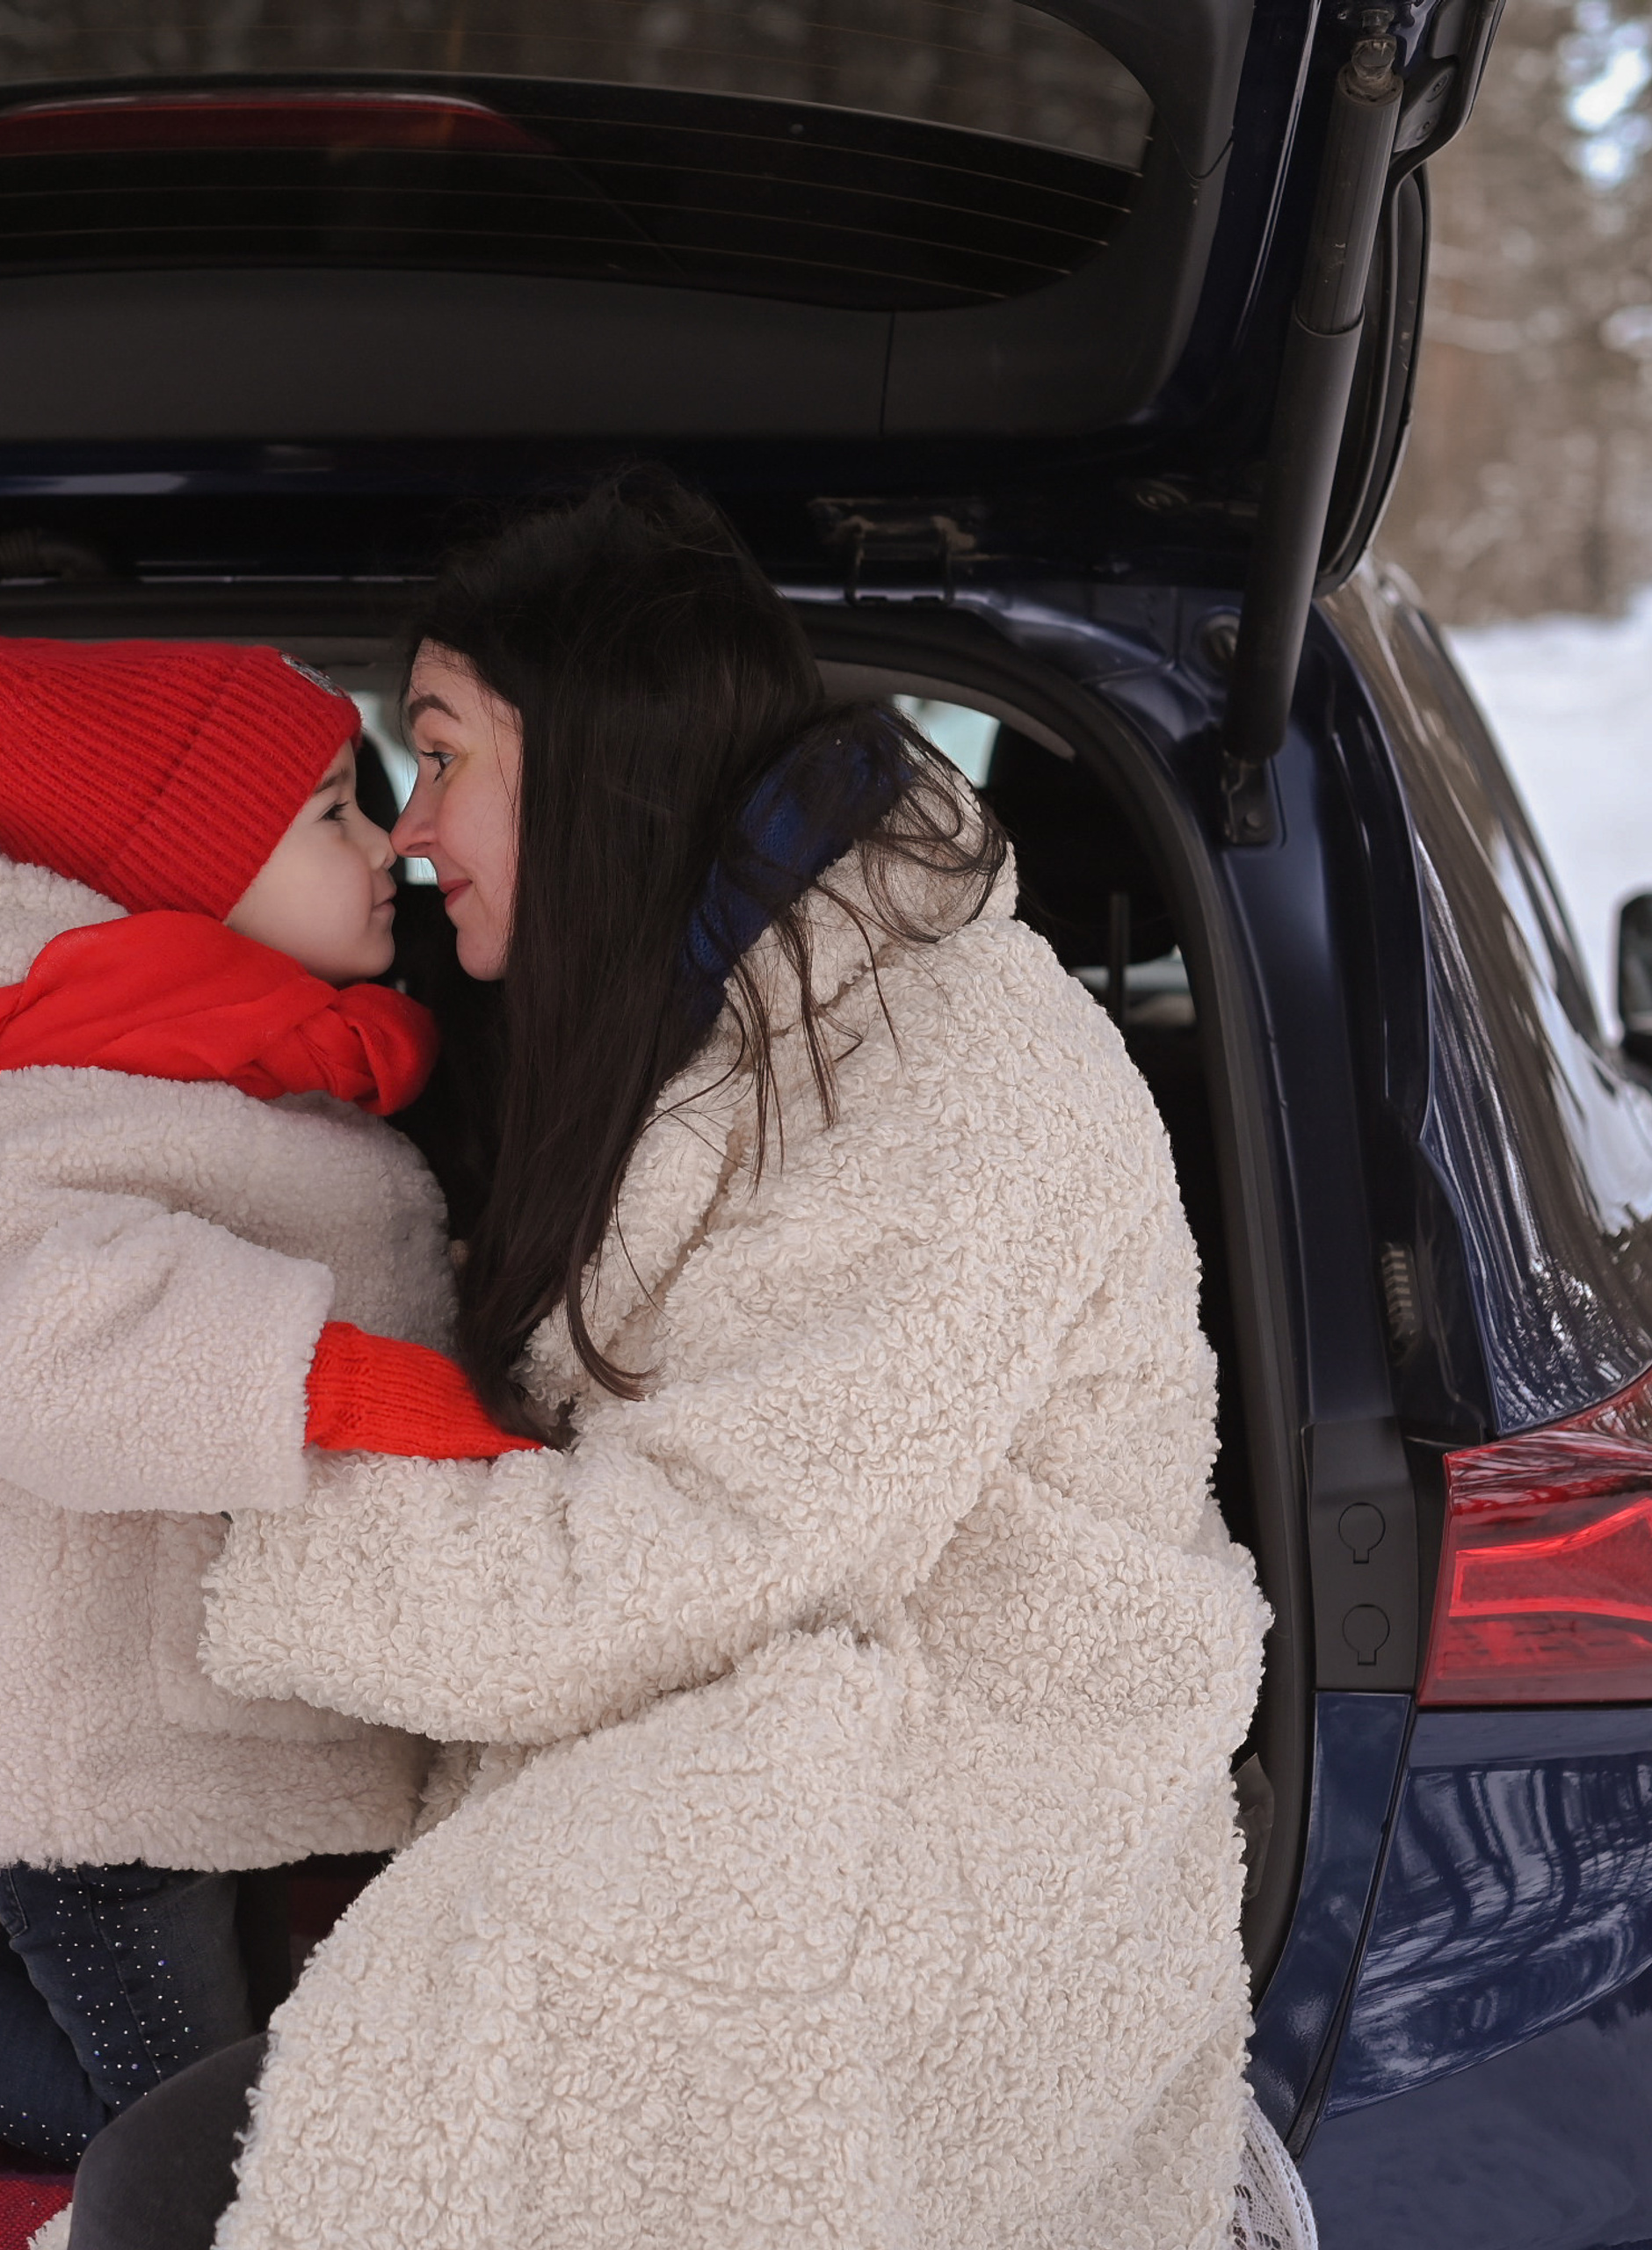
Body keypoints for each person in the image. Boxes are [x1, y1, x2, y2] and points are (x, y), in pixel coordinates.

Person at [70, 474, 1272, 2250]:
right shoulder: (721, 1026)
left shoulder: (952, 1071)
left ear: (595, 753)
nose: (406, 830)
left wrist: (248, 1555)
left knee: (171, 2184)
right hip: (767, 1730)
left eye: (441, 751)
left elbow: (698, 1545)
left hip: (961, 1817)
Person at [0, 544, 533, 2162]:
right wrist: (342, 1381)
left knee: (216, 2031)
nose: (390, 849)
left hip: (162, 1720)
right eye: (331, 813)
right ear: (179, 872)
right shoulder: (33, 1116)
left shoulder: (196, 1078)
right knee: (196, 2130)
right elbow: (39, 1334)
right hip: (78, 1739)